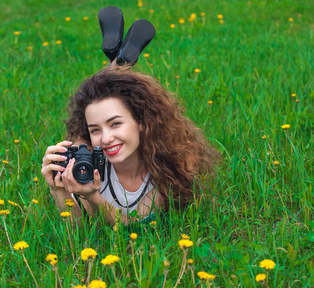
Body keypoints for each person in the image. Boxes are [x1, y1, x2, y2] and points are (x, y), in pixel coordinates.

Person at [41, 63, 219, 225]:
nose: (105, 138)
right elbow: (78, 232)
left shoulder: (164, 170)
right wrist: (58, 190)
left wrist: (93, 196)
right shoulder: (88, 160)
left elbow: (132, 226)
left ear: (142, 121)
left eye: (115, 124)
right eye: (95, 130)